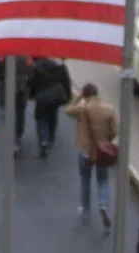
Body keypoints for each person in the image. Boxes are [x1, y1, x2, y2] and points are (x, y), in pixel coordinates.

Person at [65, 83, 119, 230]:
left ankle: (85, 211)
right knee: (103, 180)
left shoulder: (82, 109)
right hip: (102, 151)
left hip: (85, 150)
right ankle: (103, 205)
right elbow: (115, 130)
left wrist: (77, 98)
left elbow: (67, 110)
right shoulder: (109, 109)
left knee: (85, 180)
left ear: (86, 94)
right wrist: (106, 141)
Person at [27, 56, 72, 159]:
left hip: (41, 98)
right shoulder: (61, 67)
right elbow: (66, 82)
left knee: (41, 119)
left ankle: (43, 140)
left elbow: (31, 82)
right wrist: (68, 96)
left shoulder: (38, 68)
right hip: (56, 97)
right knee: (52, 116)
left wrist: (31, 95)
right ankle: (51, 138)